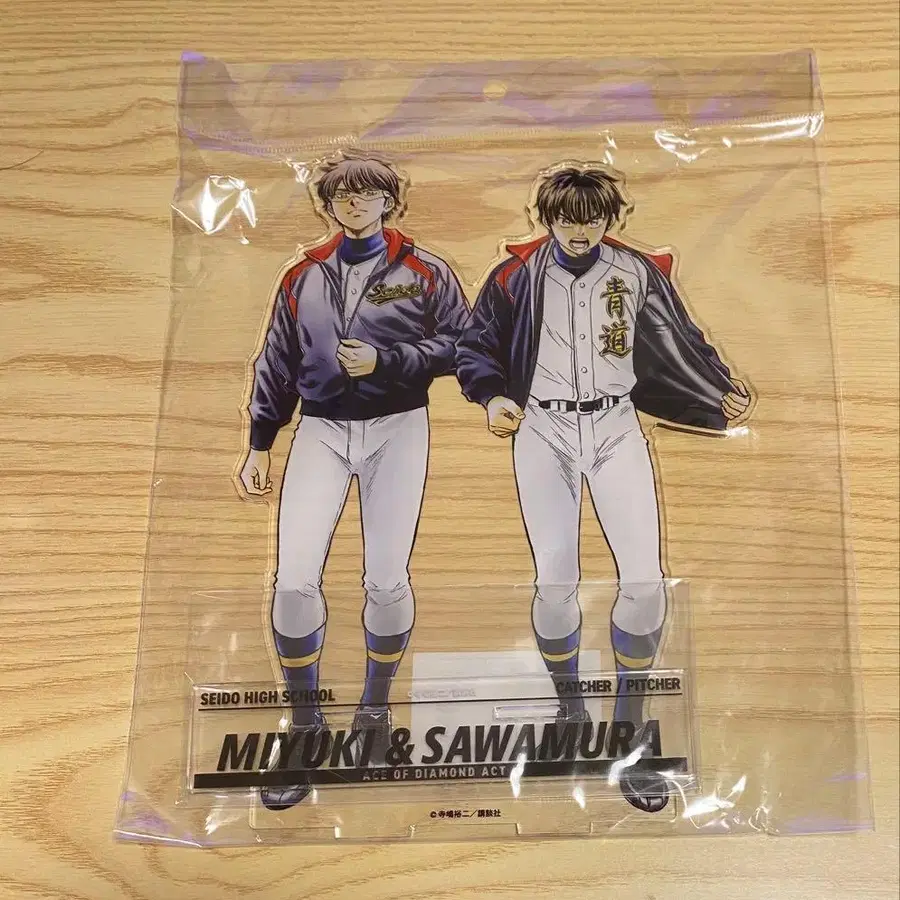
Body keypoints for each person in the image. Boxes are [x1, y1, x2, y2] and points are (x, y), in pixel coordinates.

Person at [456, 164, 751, 812]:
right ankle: (570, 713)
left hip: (617, 424)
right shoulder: (515, 275)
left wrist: (718, 385)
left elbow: (680, 335)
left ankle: (630, 726)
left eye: (592, 218)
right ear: (546, 218)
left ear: (610, 219)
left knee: (644, 581)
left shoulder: (634, 270)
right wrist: (492, 396)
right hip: (543, 428)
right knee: (555, 581)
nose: (580, 229)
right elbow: (475, 346)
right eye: (567, 218)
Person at [239, 154, 469, 810]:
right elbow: (276, 360)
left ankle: (374, 711)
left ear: (389, 200)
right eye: (343, 194)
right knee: (292, 580)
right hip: (321, 427)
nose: (355, 202)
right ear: (329, 203)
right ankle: (305, 725)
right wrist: (259, 442)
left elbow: (465, 343)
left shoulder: (425, 271)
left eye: (368, 193)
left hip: (398, 426)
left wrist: (388, 359)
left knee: (387, 579)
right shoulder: (303, 275)